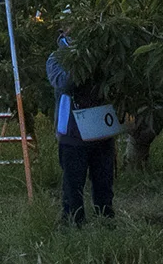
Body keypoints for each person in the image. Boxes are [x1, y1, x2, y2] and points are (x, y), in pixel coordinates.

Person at [47, 38, 115, 224]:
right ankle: (73, 220)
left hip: (101, 126)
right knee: (73, 181)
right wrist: (81, 61)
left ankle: (105, 218)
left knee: (104, 178)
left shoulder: (103, 54)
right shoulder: (56, 58)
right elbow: (64, 83)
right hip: (72, 131)